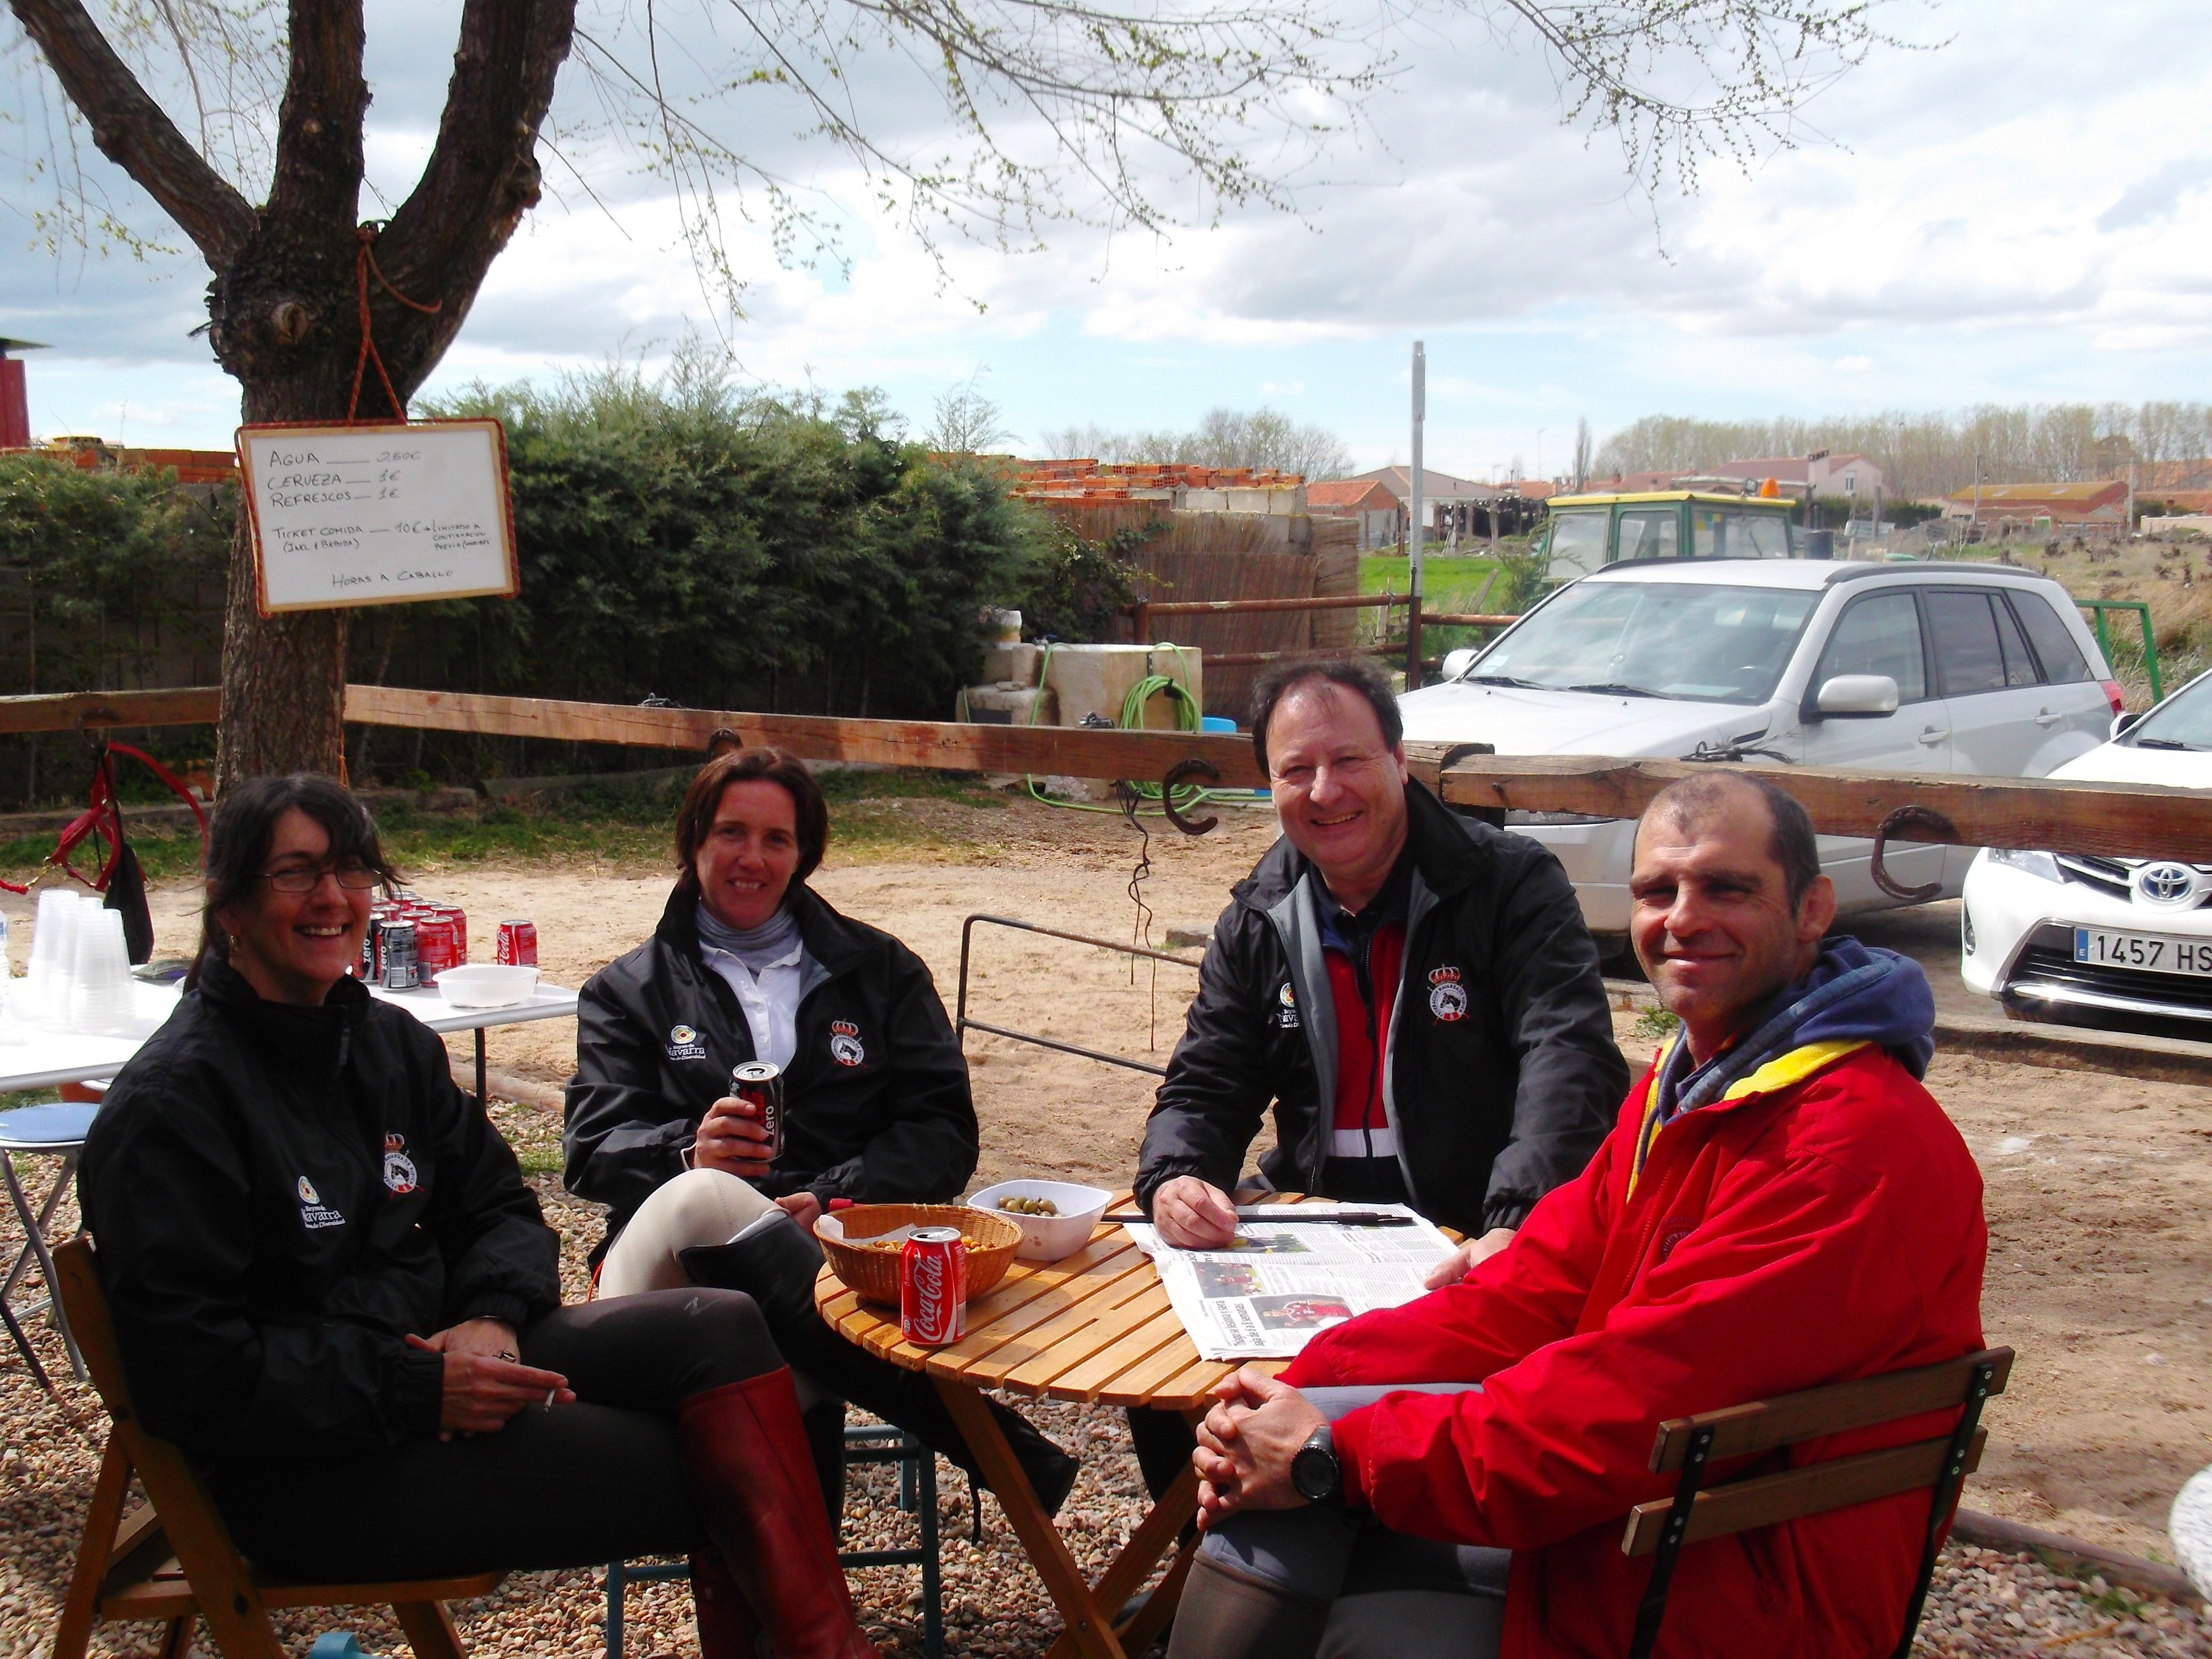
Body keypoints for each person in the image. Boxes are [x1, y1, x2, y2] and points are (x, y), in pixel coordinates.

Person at [1167, 771, 1988, 1659]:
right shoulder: (1701, 1084)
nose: (1682, 919)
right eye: (1656, 891)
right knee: (1300, 1470)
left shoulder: (1846, 1147)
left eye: (1727, 888)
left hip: (1722, 1590)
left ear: (1814, 908)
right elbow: (1531, 1289)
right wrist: (1298, 1393)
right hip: (1643, 1521)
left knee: (1334, 1575)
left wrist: (1341, 1454)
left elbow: (1626, 1408)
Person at [77, 775, 878, 1659]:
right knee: (729, 1466)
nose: (333, 899)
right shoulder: (175, 1107)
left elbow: (501, 1206)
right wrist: (413, 1387)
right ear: (228, 904)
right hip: (309, 1463)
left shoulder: (384, 1044)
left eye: (349, 871)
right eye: (296, 873)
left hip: (447, 1367)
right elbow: (192, 1374)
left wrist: (492, 1317)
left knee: (721, 1326)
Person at [1126, 654, 1628, 1493]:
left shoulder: (1507, 885)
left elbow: (1566, 1056)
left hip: (1469, 1228)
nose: (1326, 791)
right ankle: (1205, 1580)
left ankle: (1304, 1587)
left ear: (1399, 762)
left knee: (1328, 1396)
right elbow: (1209, 1078)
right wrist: (1177, 1174)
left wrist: (1521, 1219)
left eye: (1348, 760)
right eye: (1296, 770)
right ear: (1270, 788)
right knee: (1164, 1364)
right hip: (1321, 1222)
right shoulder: (1259, 914)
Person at [564, 746, 1075, 1515]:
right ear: (694, 841)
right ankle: (996, 1449)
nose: (753, 858)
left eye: (778, 839)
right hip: (662, 1277)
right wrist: (685, 1151)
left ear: (805, 855)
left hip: (839, 1263)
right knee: (707, 1194)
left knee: (776, 1348)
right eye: (732, 833)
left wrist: (836, 1202)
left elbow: (943, 1131)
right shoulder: (626, 991)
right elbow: (588, 1149)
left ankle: (802, 1621)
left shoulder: (882, 971)